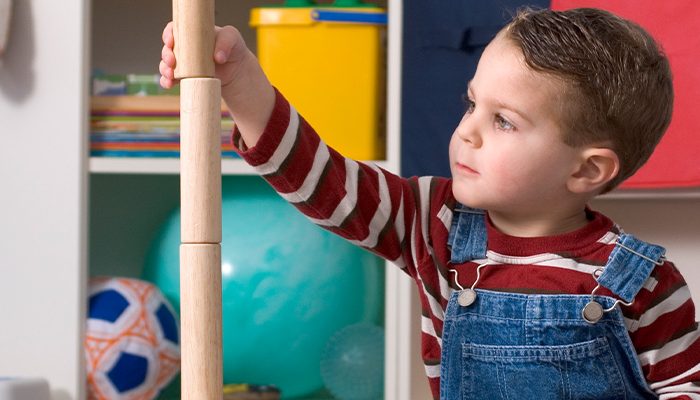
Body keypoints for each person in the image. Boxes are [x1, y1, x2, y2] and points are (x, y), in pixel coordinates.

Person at [160, 7, 699, 399]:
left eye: (504, 120)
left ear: (586, 169)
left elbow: (685, 389)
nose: (467, 133)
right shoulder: (430, 221)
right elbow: (316, 175)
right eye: (472, 103)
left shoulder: (644, 281)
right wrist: (239, 78)